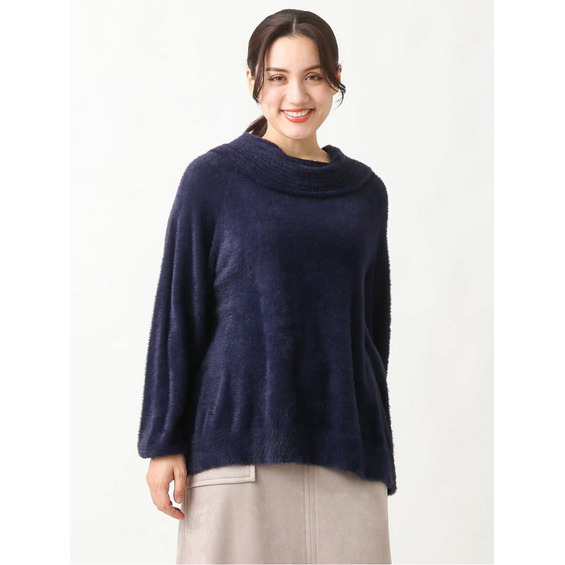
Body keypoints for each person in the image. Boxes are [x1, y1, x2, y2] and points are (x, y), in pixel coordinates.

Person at [137, 8, 397, 564]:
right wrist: (164, 442)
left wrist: (367, 431)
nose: (295, 95)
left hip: (346, 456)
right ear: (253, 80)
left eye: (313, 75)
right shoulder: (214, 179)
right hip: (236, 450)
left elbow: (373, 331)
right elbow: (179, 314)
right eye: (277, 77)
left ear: (336, 78)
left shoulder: (364, 193)